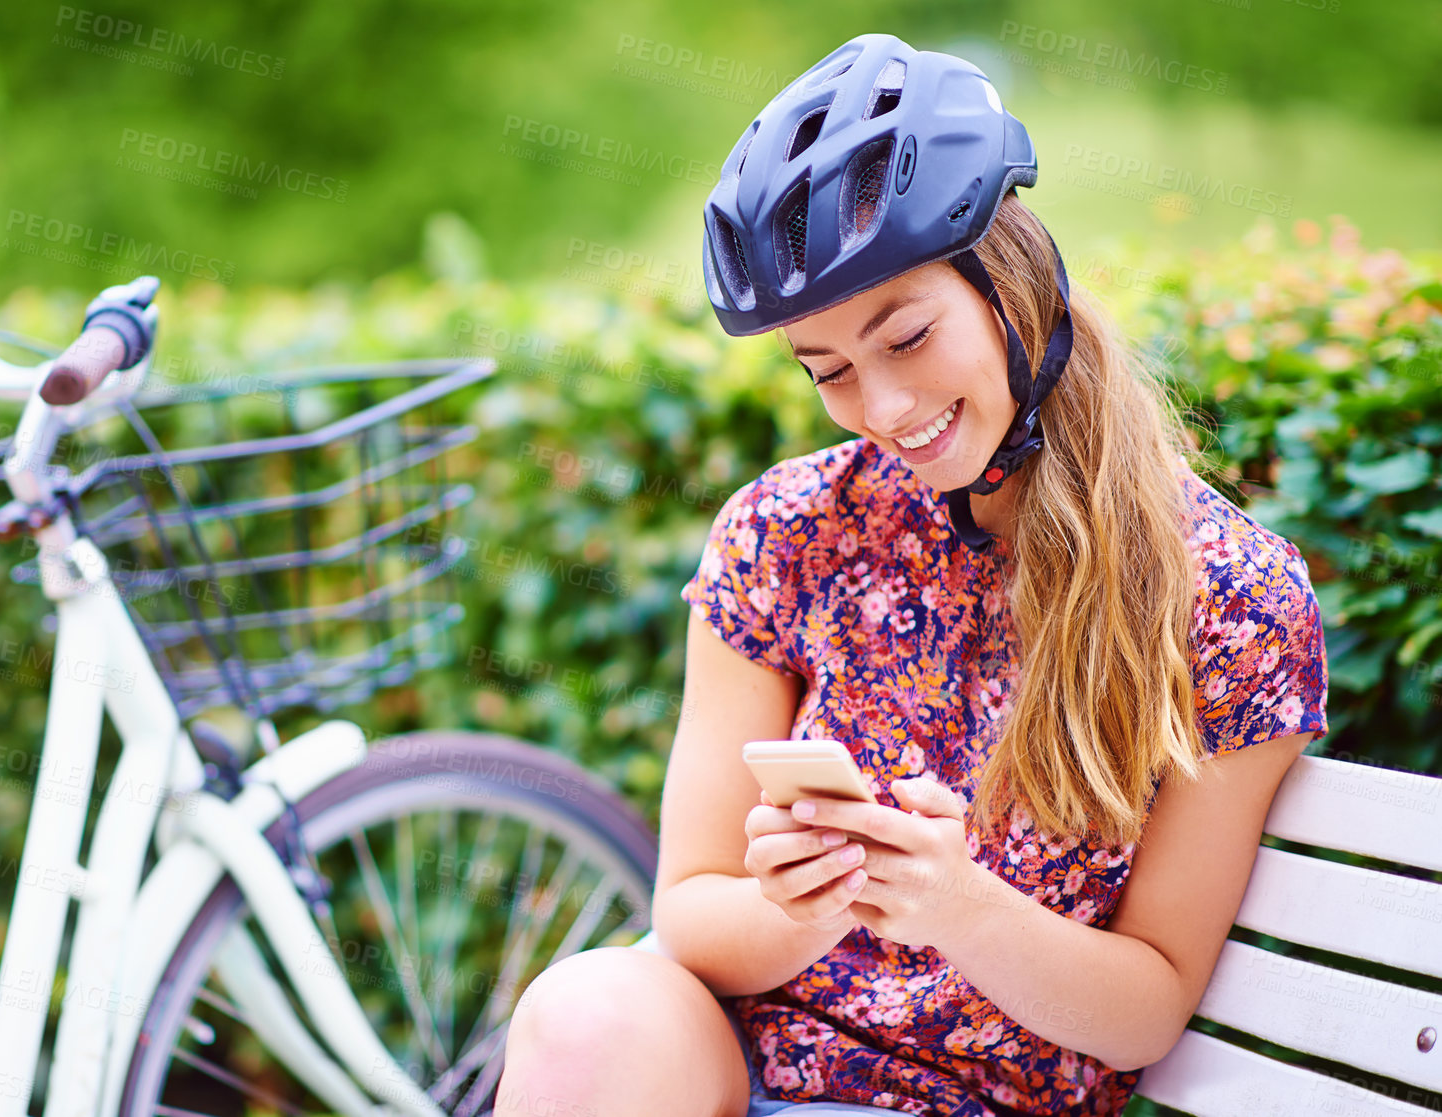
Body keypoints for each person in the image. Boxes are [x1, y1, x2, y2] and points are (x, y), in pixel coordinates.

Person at [495, 30, 1329, 1117]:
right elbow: (693, 909)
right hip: (732, 1070)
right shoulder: (786, 531)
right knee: (584, 1011)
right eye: (828, 370)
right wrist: (813, 903)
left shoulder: (1229, 598)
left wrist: (957, 907)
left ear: (1015, 288)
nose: (883, 409)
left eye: (908, 336)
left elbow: (1151, 1002)